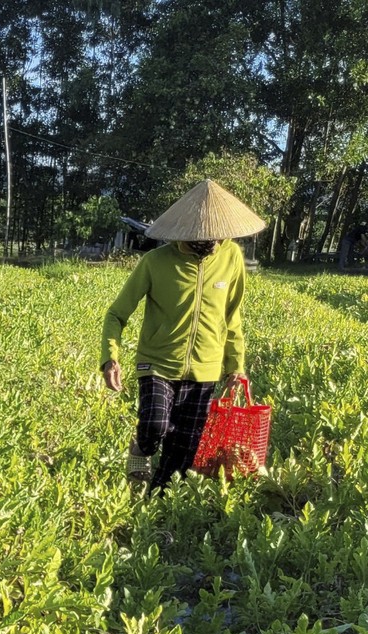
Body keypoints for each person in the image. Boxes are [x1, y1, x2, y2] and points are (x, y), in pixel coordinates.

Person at [101, 179, 264, 490]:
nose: (210, 240)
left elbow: (232, 317)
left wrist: (236, 367)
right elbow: (116, 314)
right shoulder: (155, 262)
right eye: (202, 235)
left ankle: (155, 503)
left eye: (217, 234)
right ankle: (141, 448)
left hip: (206, 369)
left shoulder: (231, 260)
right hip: (158, 362)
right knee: (154, 424)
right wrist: (110, 358)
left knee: (182, 453)